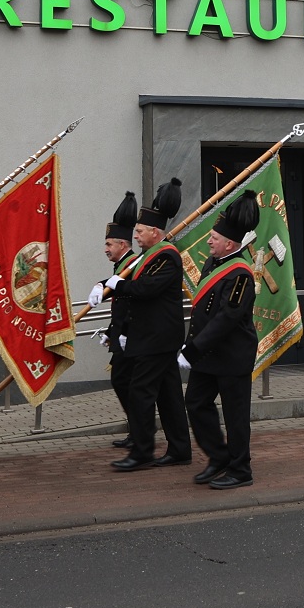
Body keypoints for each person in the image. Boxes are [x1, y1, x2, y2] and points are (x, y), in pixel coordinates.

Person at [109, 178, 192, 469]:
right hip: (154, 335)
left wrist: (117, 286)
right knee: (169, 396)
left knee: (140, 392)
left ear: (155, 232)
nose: (136, 236)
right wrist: (107, 284)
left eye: (140, 231)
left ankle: (142, 451)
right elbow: (134, 282)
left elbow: (145, 289)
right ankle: (180, 450)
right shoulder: (149, 256)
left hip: (156, 337)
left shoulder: (166, 256)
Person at [182, 191, 260, 489]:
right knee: (195, 402)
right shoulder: (212, 264)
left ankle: (241, 469)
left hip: (232, 356)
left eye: (214, 238)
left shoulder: (240, 274)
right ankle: (218, 456)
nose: (209, 241)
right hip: (208, 355)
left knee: (235, 414)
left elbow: (227, 318)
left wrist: (193, 349)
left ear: (230, 244)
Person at [89, 191, 140, 449]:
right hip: (122, 334)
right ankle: (137, 431)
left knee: (124, 382)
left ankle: (140, 432)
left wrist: (125, 331)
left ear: (122, 244)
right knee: (123, 382)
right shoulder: (121, 266)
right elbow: (118, 303)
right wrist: (111, 331)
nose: (106, 249)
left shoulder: (133, 264)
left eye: (109, 244)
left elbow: (132, 302)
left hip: (132, 336)